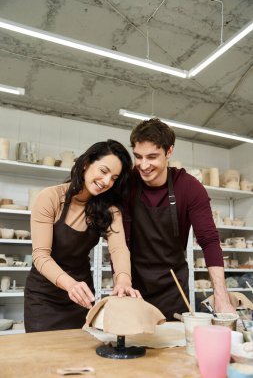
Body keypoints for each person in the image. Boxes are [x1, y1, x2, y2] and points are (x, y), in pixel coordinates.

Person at [124, 118, 235, 321]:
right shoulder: (127, 183)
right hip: (133, 284)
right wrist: (120, 280)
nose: (144, 165)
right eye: (138, 157)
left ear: (169, 152)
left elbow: (209, 241)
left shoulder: (189, 187)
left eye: (152, 157)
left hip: (173, 289)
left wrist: (222, 298)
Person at [24, 139, 140, 332]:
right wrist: (70, 285)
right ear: (86, 164)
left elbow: (119, 248)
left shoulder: (109, 210)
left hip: (82, 298)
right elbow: (40, 256)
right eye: (103, 171)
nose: (106, 182)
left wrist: (123, 280)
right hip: (44, 298)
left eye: (114, 178)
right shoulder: (51, 198)